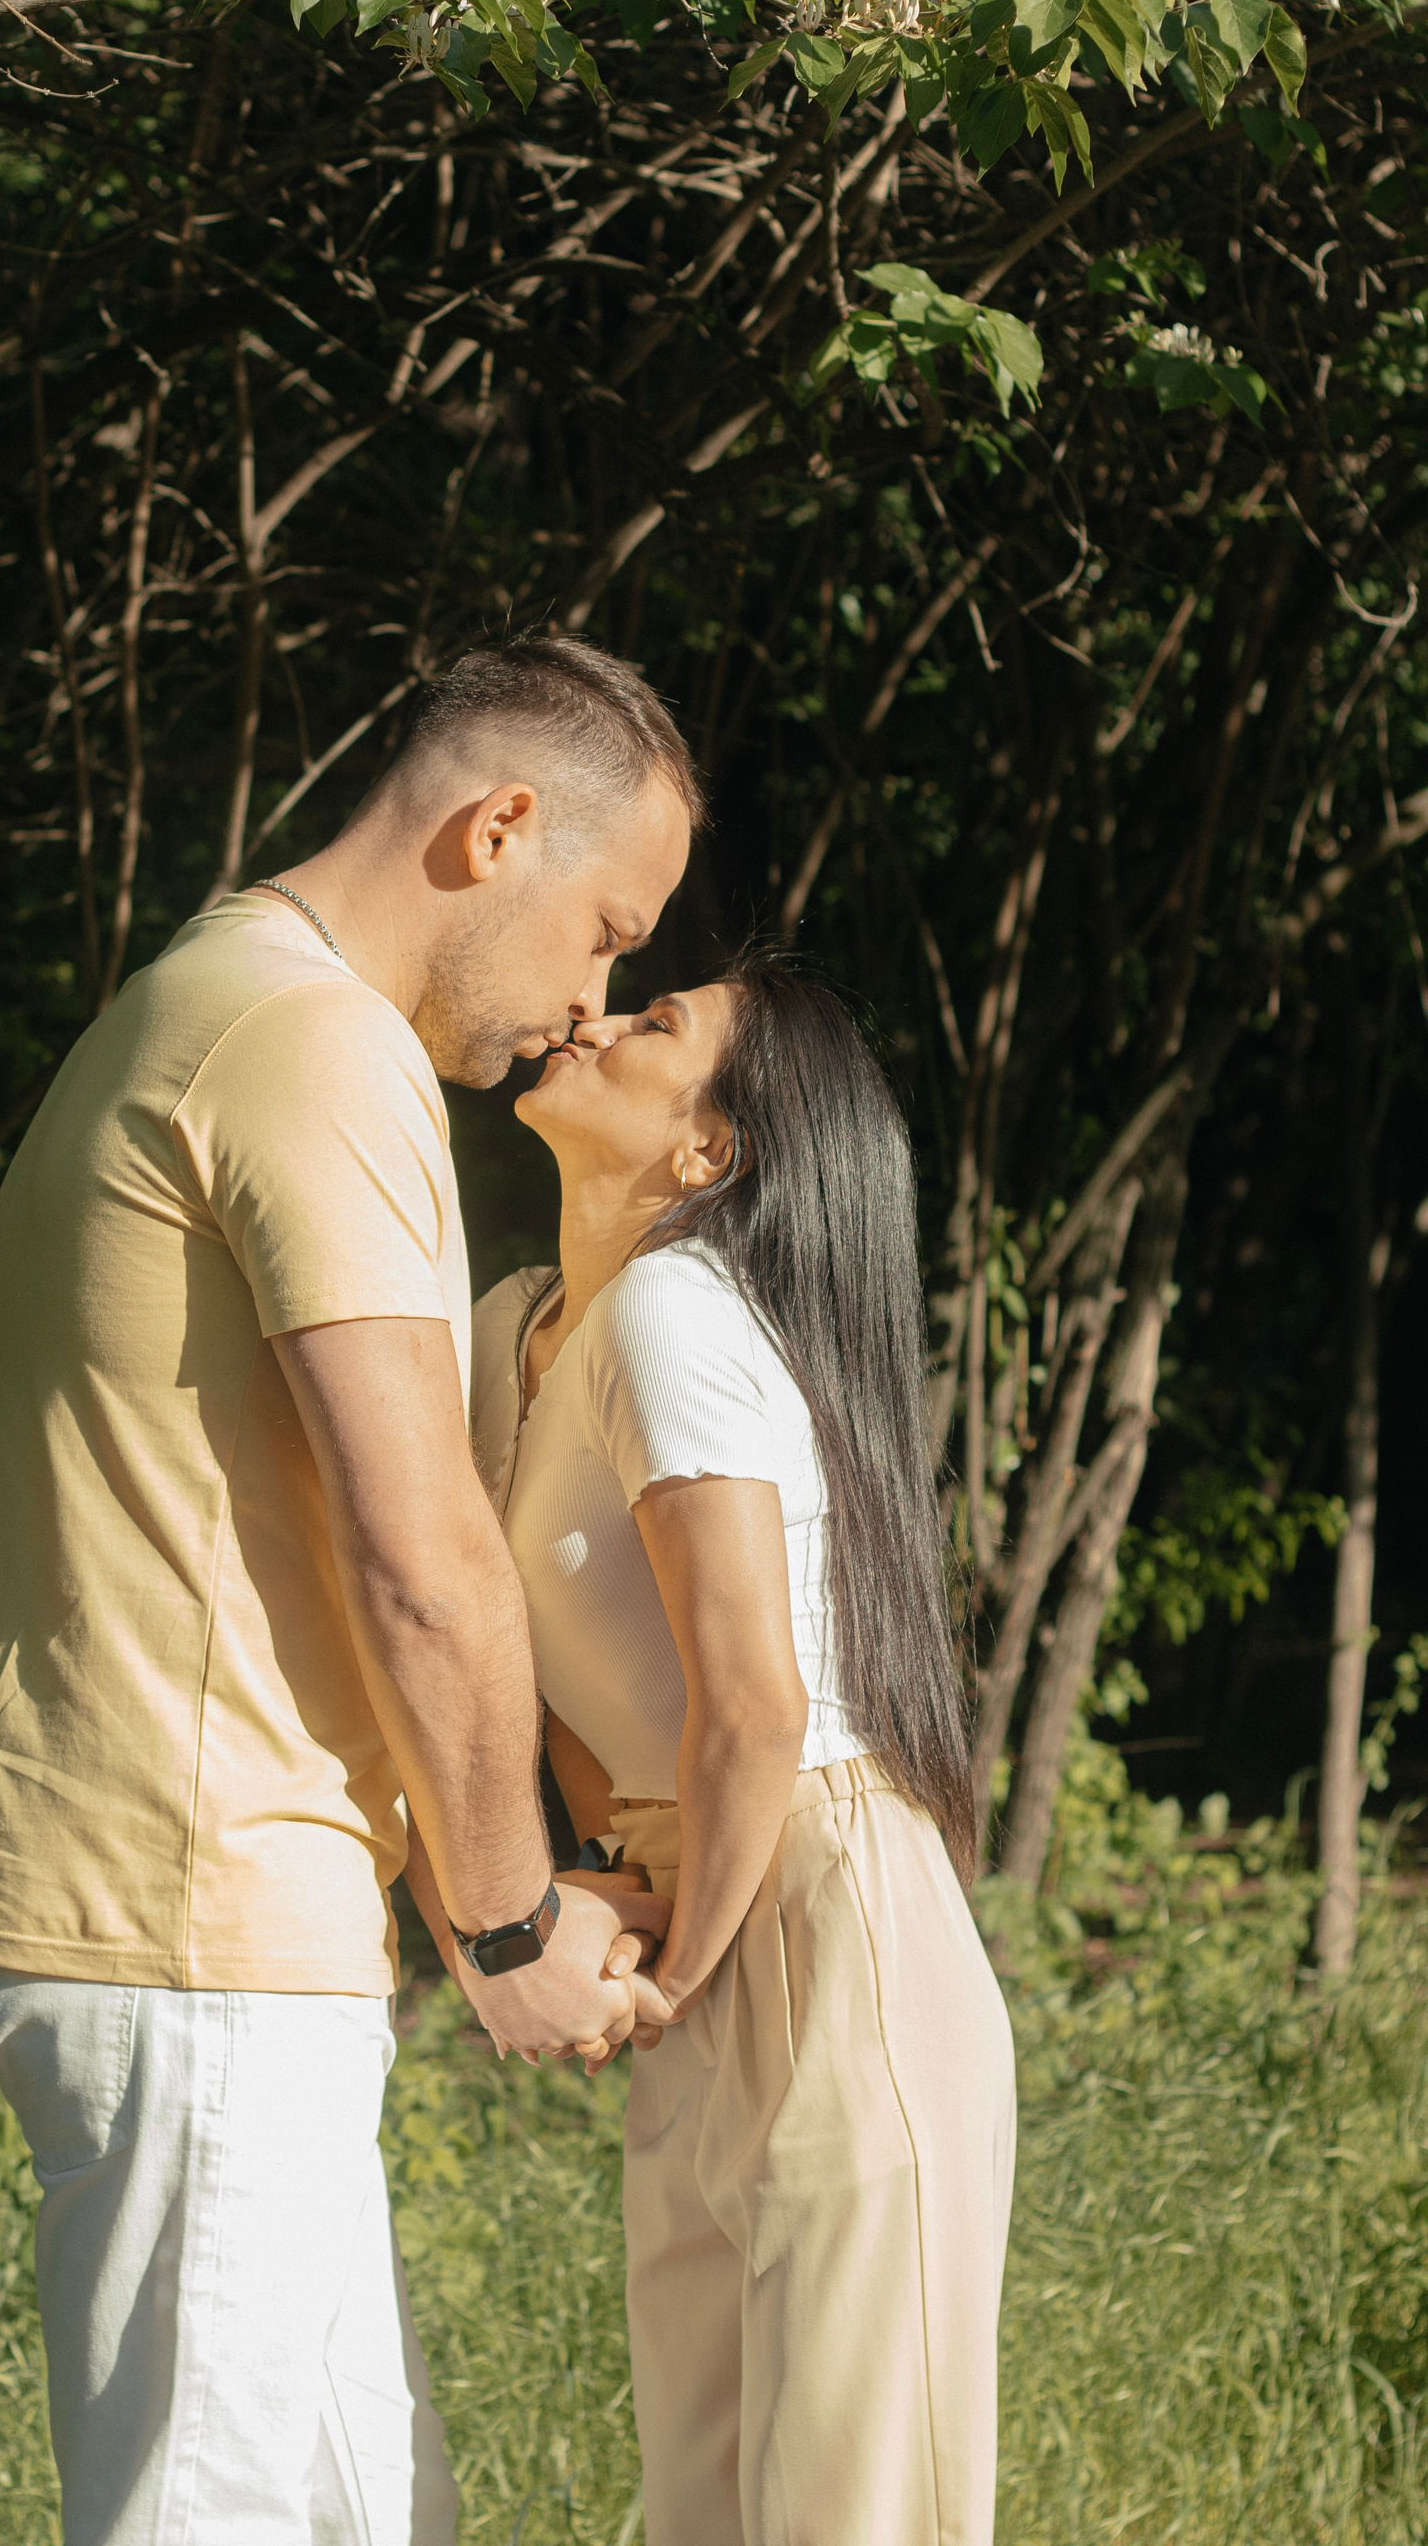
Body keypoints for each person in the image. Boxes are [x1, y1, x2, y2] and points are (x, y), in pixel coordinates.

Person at [0, 640, 699, 2546]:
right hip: (196, 1918)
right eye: (606, 932)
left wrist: (457, 1898)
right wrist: (510, 1927)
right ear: (496, 829)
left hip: (215, 1913)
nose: (592, 1000)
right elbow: (415, 1547)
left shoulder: (201, 1000)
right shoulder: (311, 1043)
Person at [467, 947, 1017, 2546]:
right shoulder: (523, 1331)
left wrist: (676, 1975)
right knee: (704, 2505)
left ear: (710, 1147)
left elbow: (758, 1701)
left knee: (852, 2510)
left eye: (658, 1023)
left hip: (829, 1921)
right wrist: (600, 1886)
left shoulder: (672, 1311)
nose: (594, 1012)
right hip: (703, 1894)